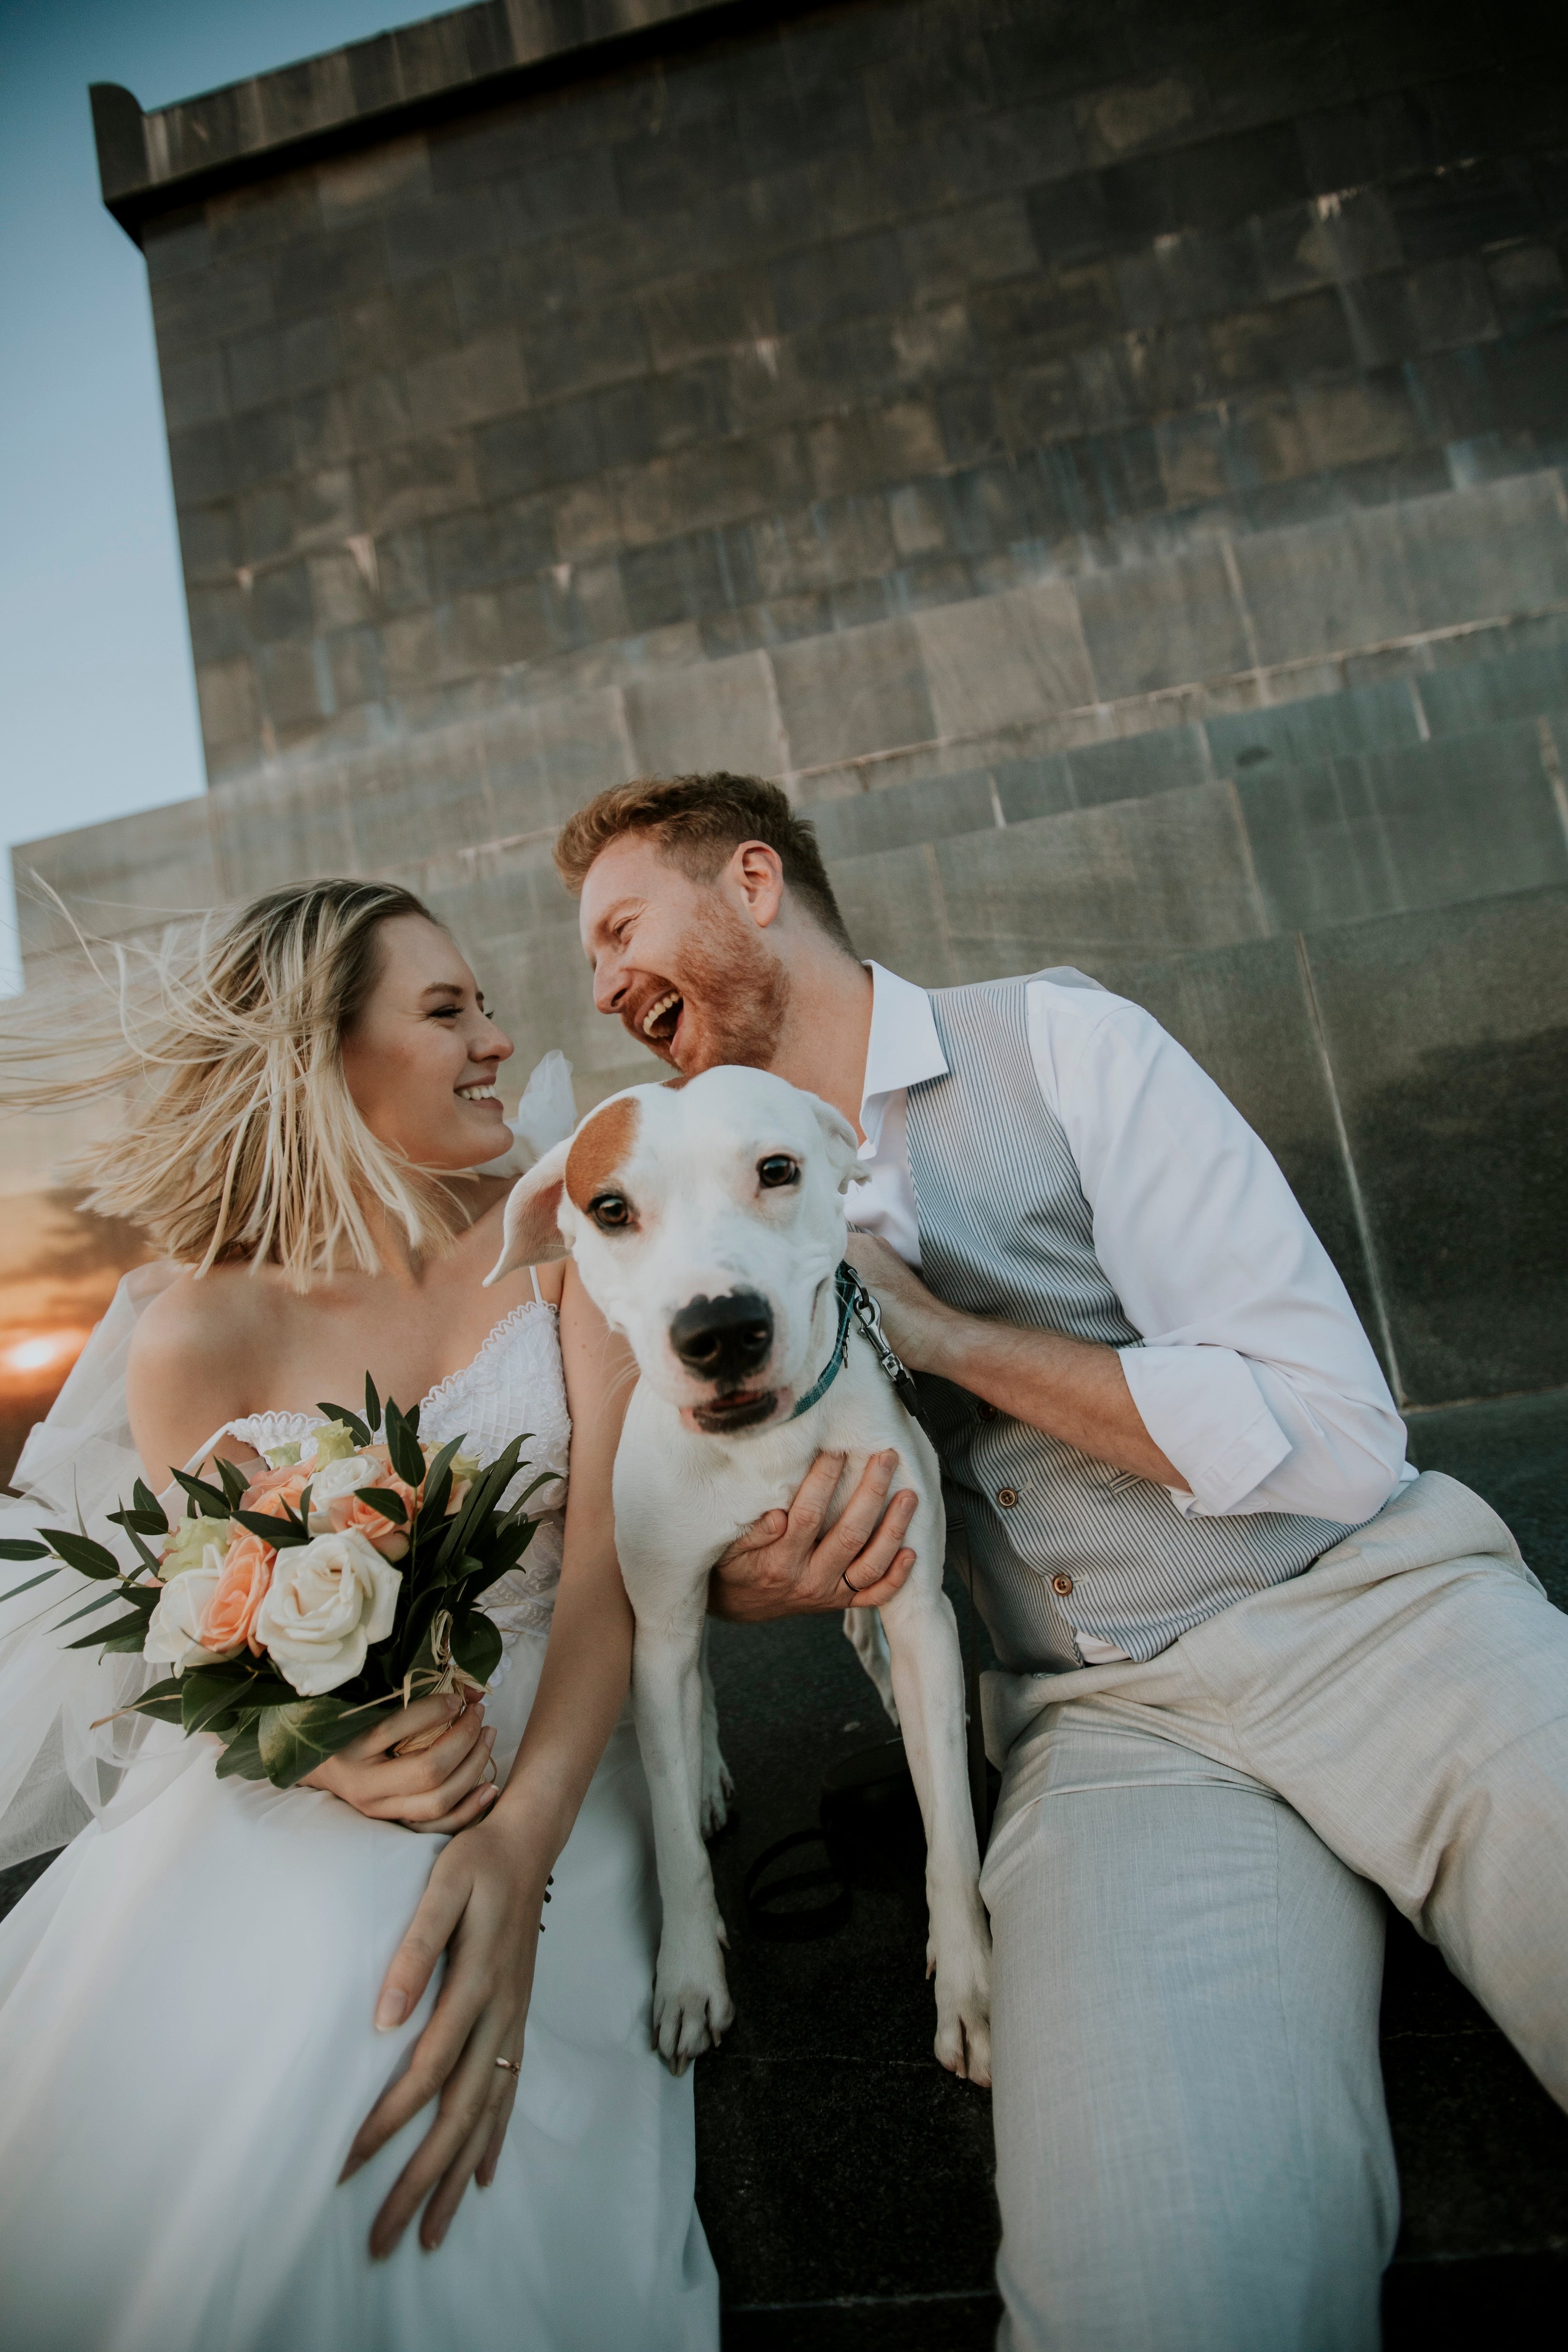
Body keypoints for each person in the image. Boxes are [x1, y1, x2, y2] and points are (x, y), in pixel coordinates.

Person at [552, 771, 1568, 2352]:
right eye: (590, 962)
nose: (606, 984)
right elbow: (730, 1533)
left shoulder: (1065, 1049)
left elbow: (1339, 1431)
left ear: (754, 882)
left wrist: (947, 1332)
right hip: (1099, 1738)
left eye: (622, 928)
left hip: (1377, 1610)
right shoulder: (680, 1239)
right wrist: (762, 1573)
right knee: (1153, 2293)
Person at [0, 879, 728, 2352]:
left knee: (392, 2012)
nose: (499, 1041)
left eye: (485, 1007)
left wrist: (518, 1840)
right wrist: (332, 1757)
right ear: (325, 1049)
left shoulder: (561, 1238)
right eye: (448, 1009)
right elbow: (217, 1643)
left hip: (552, 1756)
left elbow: (606, 1570)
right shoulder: (201, 1330)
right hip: (315, 1779)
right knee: (298, 2020)